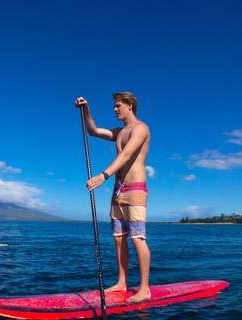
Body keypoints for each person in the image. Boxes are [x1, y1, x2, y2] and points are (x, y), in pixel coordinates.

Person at [75, 92, 151, 303]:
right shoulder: (119, 132)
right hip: (118, 190)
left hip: (134, 189)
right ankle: (122, 283)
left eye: (118, 105)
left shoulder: (141, 128)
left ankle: (144, 289)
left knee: (137, 239)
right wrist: (85, 108)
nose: (115, 109)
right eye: (114, 106)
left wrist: (103, 176)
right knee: (118, 238)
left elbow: (126, 155)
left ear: (129, 105)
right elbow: (92, 130)